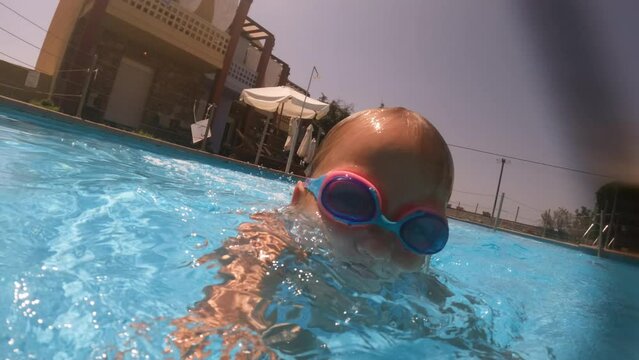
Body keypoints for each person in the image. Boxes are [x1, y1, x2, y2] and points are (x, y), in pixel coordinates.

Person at [169, 107, 454, 358]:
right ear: (299, 201)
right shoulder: (270, 240)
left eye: (420, 231)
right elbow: (223, 319)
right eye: (351, 201)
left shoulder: (424, 288)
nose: (377, 248)